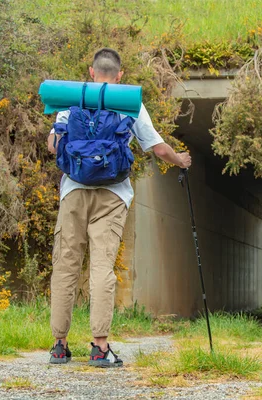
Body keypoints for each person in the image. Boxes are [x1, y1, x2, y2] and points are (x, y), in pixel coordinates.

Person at [46, 48, 192, 367]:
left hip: (73, 192)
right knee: (102, 267)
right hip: (112, 196)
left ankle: (59, 345)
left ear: (91, 71)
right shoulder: (129, 104)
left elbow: (53, 145)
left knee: (66, 264)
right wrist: (180, 159)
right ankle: (99, 348)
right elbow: (156, 147)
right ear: (120, 75)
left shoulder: (74, 99)